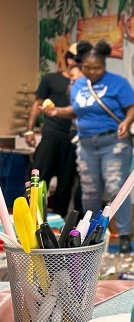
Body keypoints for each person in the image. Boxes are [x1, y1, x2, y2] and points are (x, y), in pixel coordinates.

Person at [50, 40, 134, 254]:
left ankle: (125, 236)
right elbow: (77, 110)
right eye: (87, 68)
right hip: (86, 144)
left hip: (113, 143)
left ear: (104, 64)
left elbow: (133, 106)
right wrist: (57, 112)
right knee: (89, 192)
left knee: (116, 188)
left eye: (97, 67)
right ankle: (92, 236)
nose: (92, 72)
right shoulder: (79, 84)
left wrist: (126, 123)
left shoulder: (118, 83)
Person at [24, 43, 84, 215]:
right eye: (73, 58)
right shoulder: (51, 79)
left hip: (72, 139)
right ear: (68, 59)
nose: (75, 62)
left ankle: (59, 223)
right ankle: (31, 217)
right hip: (51, 135)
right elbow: (37, 104)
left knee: (65, 186)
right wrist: (29, 130)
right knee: (38, 179)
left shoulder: (84, 84)